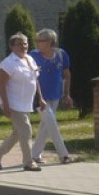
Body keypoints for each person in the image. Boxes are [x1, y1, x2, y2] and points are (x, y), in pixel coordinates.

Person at [0, 33, 46, 172]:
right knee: (26, 130)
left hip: (25, 103)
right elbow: (1, 86)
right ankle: (28, 162)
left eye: (25, 43)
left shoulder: (30, 59)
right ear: (12, 47)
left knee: (18, 133)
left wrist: (40, 98)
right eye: (19, 43)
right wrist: (6, 105)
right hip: (13, 103)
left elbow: (35, 79)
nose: (23, 46)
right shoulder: (8, 63)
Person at [31, 28, 76, 164]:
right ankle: (64, 155)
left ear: (50, 41)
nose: (38, 43)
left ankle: (34, 155)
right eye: (37, 40)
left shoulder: (61, 54)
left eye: (41, 40)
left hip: (55, 95)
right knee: (52, 123)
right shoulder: (33, 55)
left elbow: (66, 75)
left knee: (45, 126)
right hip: (39, 97)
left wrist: (67, 94)